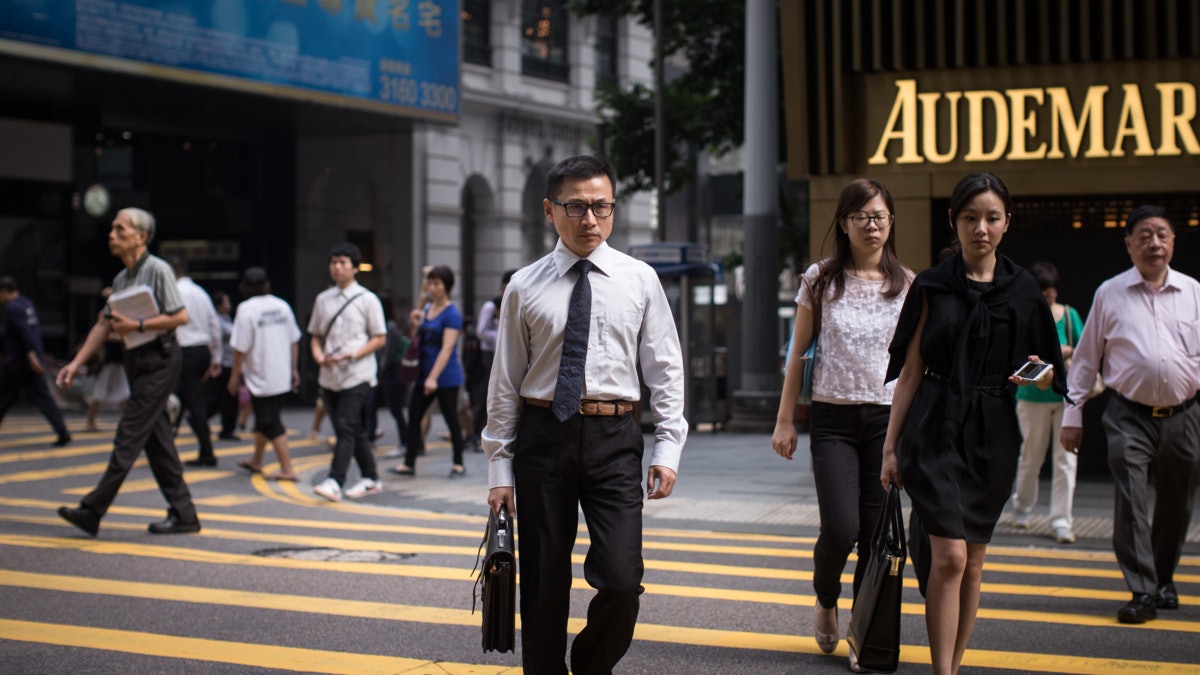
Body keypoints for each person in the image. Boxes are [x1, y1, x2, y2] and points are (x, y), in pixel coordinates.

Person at [483, 155, 687, 674]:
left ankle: (592, 664)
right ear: (551, 210)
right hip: (542, 436)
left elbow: (664, 366)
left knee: (622, 579)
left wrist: (667, 447)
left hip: (615, 436)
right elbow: (505, 381)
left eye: (601, 206)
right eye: (577, 207)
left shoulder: (639, 279)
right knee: (545, 581)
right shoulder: (525, 286)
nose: (590, 218)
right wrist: (498, 469)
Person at [880, 173, 1066, 675]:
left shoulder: (1024, 290)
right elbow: (911, 371)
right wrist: (891, 448)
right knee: (951, 559)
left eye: (991, 218)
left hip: (993, 432)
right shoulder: (933, 285)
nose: (980, 228)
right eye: (970, 217)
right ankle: (943, 671)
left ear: (1007, 223)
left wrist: (1041, 373)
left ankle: (953, 667)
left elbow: (1049, 374)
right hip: (934, 425)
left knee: (975, 562)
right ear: (954, 221)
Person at [770, 179, 912, 669]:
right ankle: (826, 596)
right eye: (861, 217)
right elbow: (797, 354)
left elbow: (915, 365)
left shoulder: (908, 284)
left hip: (886, 422)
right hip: (831, 418)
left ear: (892, 222)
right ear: (845, 223)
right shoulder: (821, 279)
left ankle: (864, 631)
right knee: (841, 528)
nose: (871, 225)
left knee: (876, 536)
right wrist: (785, 420)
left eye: (879, 216)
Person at [1060, 205, 1200, 625]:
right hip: (1128, 414)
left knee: (1177, 503)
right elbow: (1085, 360)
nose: (1153, 243)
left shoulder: (1194, 291)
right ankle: (1142, 589)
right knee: (1132, 499)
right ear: (1129, 244)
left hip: (1184, 414)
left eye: (1161, 234)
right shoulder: (1110, 292)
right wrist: (1073, 414)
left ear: (1173, 242)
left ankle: (1163, 578)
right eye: (1144, 235)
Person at [55, 207, 202, 536]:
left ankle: (93, 510)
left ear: (141, 237)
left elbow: (179, 317)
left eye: (120, 230)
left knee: (129, 434)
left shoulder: (158, 270)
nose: (112, 235)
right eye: (112, 229)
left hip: (160, 359)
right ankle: (185, 514)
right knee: (158, 441)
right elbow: (103, 325)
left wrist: (137, 324)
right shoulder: (122, 278)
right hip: (137, 361)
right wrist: (76, 364)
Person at [1009, 261, 1084, 544]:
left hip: (1064, 397)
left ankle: (1061, 520)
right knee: (1031, 456)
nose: (1047, 297)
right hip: (1031, 397)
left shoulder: (1068, 314)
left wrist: (1066, 350)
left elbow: (1085, 347)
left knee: (1066, 460)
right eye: (1043, 292)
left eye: (1051, 292)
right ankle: (1022, 508)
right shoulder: (1024, 312)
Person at [307, 242, 387, 502]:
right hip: (329, 376)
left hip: (358, 373)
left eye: (342, 263)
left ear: (355, 268)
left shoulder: (367, 299)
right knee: (352, 428)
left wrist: (352, 354)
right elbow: (315, 335)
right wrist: (319, 356)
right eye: (333, 263)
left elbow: (379, 338)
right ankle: (371, 477)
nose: (337, 267)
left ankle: (334, 480)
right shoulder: (322, 299)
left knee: (344, 426)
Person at [392, 265, 467, 478]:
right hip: (423, 374)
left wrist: (433, 378)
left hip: (445, 376)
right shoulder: (427, 309)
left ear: (447, 287)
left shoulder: (452, 314)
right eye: (430, 284)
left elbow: (446, 349)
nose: (432, 288)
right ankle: (409, 463)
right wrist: (414, 324)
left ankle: (458, 463)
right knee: (414, 417)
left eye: (436, 284)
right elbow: (418, 339)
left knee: (451, 418)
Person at [228, 267, 300, 481]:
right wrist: (294, 369)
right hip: (281, 373)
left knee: (269, 421)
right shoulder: (282, 306)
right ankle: (256, 460)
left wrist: (234, 377)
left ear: (244, 287)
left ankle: (287, 469)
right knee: (264, 417)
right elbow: (293, 340)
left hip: (261, 375)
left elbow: (240, 347)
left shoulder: (246, 309)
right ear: (267, 285)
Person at [0, 275, 72, 446]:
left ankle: (62, 431)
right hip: (32, 363)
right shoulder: (27, 304)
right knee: (44, 398)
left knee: (3, 398)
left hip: (18, 363)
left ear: (4, 291)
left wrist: (31, 356)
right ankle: (62, 431)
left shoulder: (13, 308)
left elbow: (25, 334)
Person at [168, 256, 222, 467]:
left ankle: (206, 452)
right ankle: (167, 448)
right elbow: (214, 324)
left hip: (184, 350)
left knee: (188, 401)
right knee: (181, 399)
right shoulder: (200, 292)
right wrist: (216, 357)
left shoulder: (175, 292)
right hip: (201, 350)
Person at [467, 270, 515, 452]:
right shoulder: (490, 306)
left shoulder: (515, 300)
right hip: (489, 356)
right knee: (488, 395)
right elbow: (481, 333)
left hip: (507, 353)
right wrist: (504, 336)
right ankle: (476, 435)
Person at [85, 288, 129, 432]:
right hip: (108, 359)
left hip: (119, 358)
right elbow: (102, 334)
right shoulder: (105, 314)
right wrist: (121, 337)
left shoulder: (122, 314)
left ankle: (129, 423)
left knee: (124, 392)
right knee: (99, 392)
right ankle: (90, 421)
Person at [207, 291, 241, 441]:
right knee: (226, 398)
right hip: (224, 363)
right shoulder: (217, 322)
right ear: (218, 306)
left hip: (231, 363)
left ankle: (228, 428)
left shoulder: (227, 319)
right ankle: (225, 428)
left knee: (227, 398)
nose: (229, 305)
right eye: (226, 302)